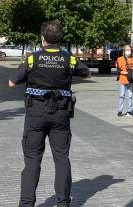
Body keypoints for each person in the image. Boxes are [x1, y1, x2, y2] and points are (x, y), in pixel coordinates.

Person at [9, 21, 91, 207]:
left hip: (35, 113)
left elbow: (12, 83)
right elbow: (87, 75)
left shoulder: (32, 59)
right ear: (61, 39)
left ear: (42, 38)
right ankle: (63, 203)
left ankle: (26, 203)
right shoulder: (69, 59)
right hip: (61, 113)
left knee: (32, 159)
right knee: (61, 157)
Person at [115, 45, 133, 117]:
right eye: (126, 50)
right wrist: (126, 73)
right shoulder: (120, 59)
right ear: (124, 51)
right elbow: (119, 70)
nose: (128, 51)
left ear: (131, 51)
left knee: (130, 96)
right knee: (122, 95)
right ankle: (120, 110)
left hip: (131, 79)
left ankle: (129, 110)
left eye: (129, 49)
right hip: (122, 79)